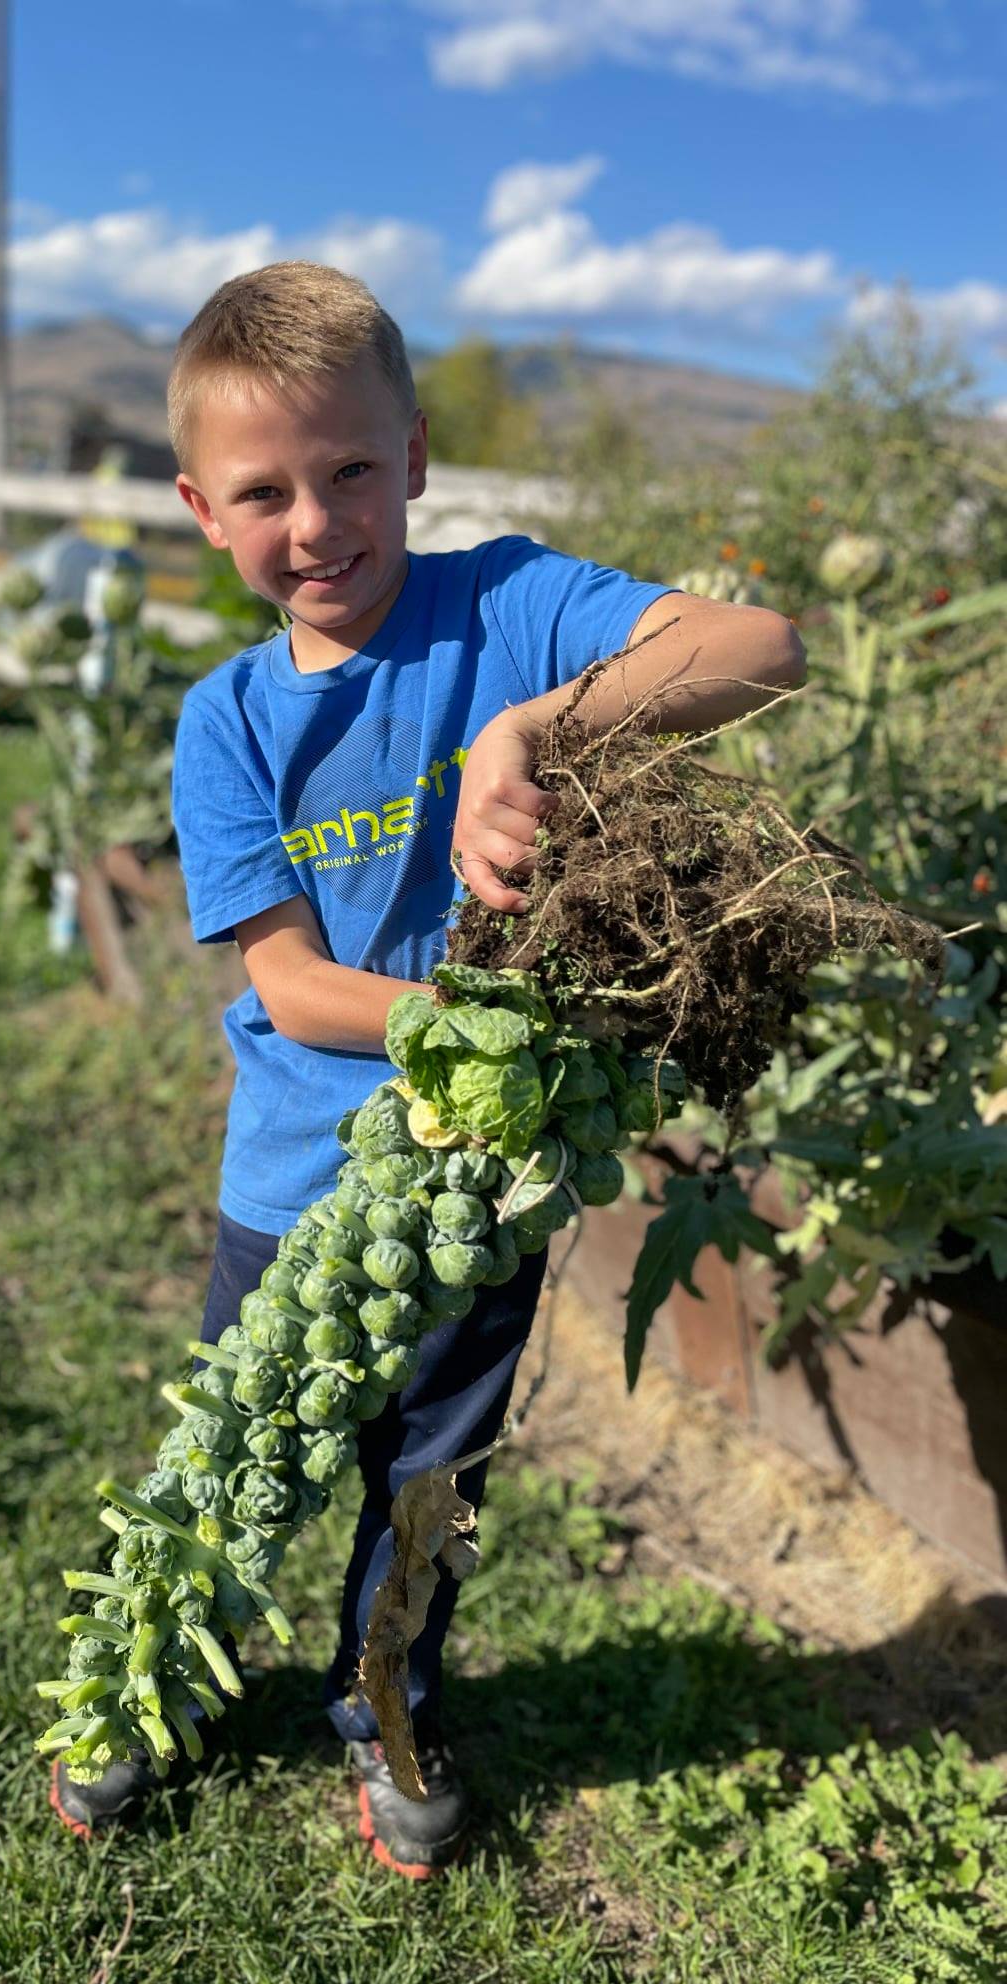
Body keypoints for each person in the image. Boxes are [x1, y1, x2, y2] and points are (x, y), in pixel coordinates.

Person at [49, 261, 806, 1875]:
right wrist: (472, 1037)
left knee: (429, 1487)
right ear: (201, 508)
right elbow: (294, 987)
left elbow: (763, 644)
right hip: (297, 1181)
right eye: (267, 492)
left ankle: (383, 1690)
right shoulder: (229, 722)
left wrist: (535, 726)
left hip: (482, 1202)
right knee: (245, 1454)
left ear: (414, 462)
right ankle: (144, 1677)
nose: (317, 524)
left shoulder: (509, 610)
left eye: (350, 472)